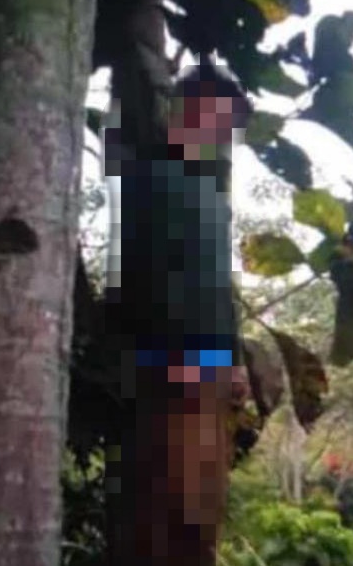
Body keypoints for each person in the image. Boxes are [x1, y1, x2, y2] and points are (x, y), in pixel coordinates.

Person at [109, 55, 251, 565]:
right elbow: (138, 278)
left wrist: (233, 362)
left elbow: (214, 286)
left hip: (207, 372)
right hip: (170, 367)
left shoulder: (207, 190)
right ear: (191, 109)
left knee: (198, 517)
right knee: (162, 515)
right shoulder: (148, 175)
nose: (226, 135)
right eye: (222, 120)